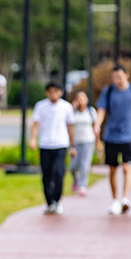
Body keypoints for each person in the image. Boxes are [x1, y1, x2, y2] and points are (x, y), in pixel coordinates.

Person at [95, 64, 131, 215]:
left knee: (126, 167)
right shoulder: (109, 91)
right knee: (112, 169)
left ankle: (125, 198)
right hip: (111, 135)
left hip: (128, 135)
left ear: (126, 75)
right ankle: (115, 200)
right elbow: (102, 110)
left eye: (119, 76)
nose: (116, 79)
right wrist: (97, 124)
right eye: (114, 77)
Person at [29, 80, 76, 214]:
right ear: (47, 93)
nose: (53, 95)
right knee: (46, 174)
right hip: (45, 144)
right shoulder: (41, 106)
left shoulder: (66, 107)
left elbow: (70, 127)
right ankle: (50, 202)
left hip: (61, 144)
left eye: (56, 91)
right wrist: (33, 139)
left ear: (61, 92)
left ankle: (57, 200)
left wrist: (73, 145)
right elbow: (35, 124)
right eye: (50, 92)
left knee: (59, 173)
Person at [70, 90, 98, 196]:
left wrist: (98, 142)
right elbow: (68, 123)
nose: (81, 101)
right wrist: (72, 107)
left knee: (85, 164)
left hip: (88, 141)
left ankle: (82, 185)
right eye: (79, 99)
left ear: (87, 100)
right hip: (76, 142)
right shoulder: (73, 112)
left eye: (83, 98)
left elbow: (95, 127)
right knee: (73, 166)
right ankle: (76, 181)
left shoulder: (91, 112)